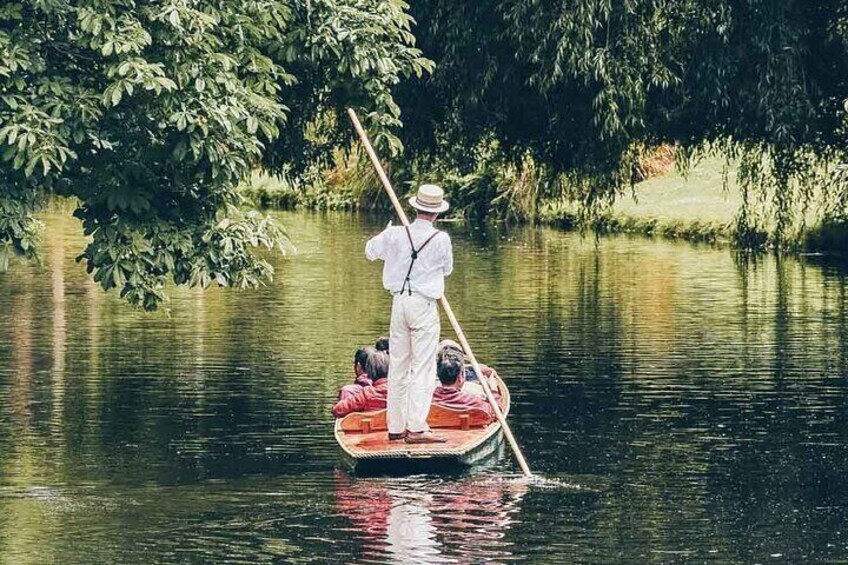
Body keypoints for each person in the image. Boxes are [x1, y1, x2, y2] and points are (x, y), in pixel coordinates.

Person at [365, 184, 453, 444]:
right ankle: (415, 428)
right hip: (423, 305)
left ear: (415, 209)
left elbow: (370, 251)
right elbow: (447, 269)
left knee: (399, 366)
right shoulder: (441, 239)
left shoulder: (394, 234)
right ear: (436, 214)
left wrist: (387, 234)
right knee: (423, 368)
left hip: (399, 303)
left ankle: (395, 427)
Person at [432, 350, 500, 420]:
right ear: (460, 376)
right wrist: (493, 389)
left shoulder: (429, 399)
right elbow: (496, 413)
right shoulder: (472, 400)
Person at [332, 350, 390, 417]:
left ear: (369, 372)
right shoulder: (401, 391)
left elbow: (337, 410)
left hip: (370, 425)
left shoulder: (367, 393)